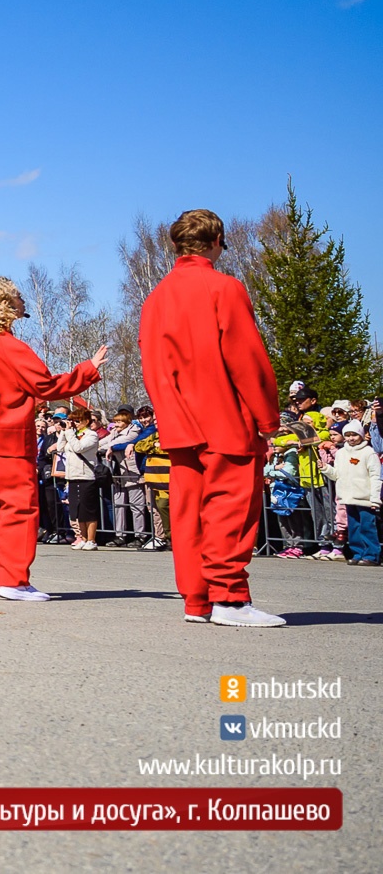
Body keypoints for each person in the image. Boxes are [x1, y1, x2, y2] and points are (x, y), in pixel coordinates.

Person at [137, 209, 285, 627]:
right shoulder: (224, 287)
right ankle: (230, 599)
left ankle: (198, 601)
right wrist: (268, 420)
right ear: (218, 239)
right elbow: (248, 359)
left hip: (179, 422)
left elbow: (152, 366)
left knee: (190, 515)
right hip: (223, 417)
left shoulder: (156, 297)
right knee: (228, 510)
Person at [0, 277, 105, 601]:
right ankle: (14, 580)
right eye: (18, 297)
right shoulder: (9, 346)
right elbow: (46, 386)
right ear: (7, 305)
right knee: (19, 507)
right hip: (5, 439)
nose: (23, 301)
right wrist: (87, 369)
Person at [54, 405, 109, 551]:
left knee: (88, 510)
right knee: (77, 511)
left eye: (77, 421)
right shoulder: (72, 434)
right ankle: (83, 538)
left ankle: (91, 539)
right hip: (72, 476)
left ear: (86, 421)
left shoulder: (91, 435)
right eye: (73, 421)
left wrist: (70, 433)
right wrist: (64, 432)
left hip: (86, 477)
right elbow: (60, 448)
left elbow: (79, 448)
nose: (75, 424)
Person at [324, 420, 379, 565]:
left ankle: (371, 555)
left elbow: (375, 476)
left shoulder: (369, 452)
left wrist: (375, 498)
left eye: (354, 435)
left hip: (365, 497)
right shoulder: (341, 453)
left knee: (367, 527)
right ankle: (357, 553)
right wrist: (325, 469)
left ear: (361, 435)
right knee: (354, 528)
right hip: (348, 497)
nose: (350, 438)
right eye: (347, 435)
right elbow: (337, 475)